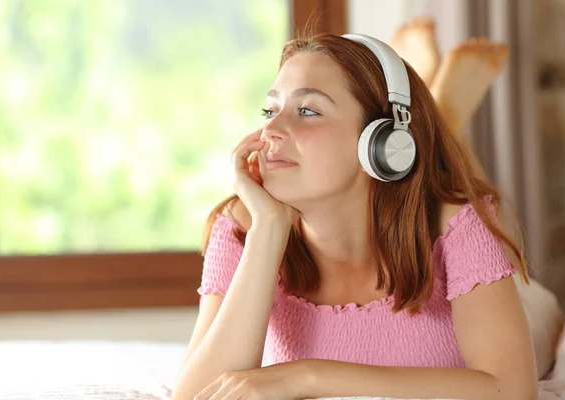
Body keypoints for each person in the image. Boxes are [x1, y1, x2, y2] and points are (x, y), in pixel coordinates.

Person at [171, 23, 538, 400]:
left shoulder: (457, 223)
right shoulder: (243, 224)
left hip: (528, 307)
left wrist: (306, 377)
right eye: (270, 109)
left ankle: (443, 115)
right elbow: (196, 397)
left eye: (307, 110)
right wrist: (267, 230)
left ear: (382, 143)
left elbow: (510, 389)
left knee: (544, 319)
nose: (271, 131)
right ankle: (442, 109)